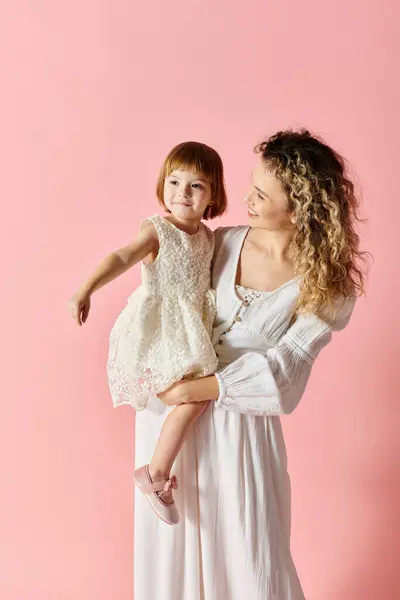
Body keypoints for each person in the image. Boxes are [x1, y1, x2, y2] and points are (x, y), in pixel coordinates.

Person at [134, 129, 368, 600]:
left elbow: (285, 375)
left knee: (250, 558)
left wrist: (194, 391)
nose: (246, 199)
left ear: (301, 205)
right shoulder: (219, 242)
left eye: (261, 194)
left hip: (242, 433)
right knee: (172, 556)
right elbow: (161, 306)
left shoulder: (327, 287)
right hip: (169, 426)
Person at [68, 141, 227, 525]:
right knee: (192, 400)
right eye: (174, 182)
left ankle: (157, 472)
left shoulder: (208, 238)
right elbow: (122, 257)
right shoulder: (159, 230)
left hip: (191, 330)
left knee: (197, 399)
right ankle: (155, 474)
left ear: (213, 195)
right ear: (162, 186)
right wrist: (85, 288)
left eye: (196, 186)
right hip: (161, 330)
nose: (182, 194)